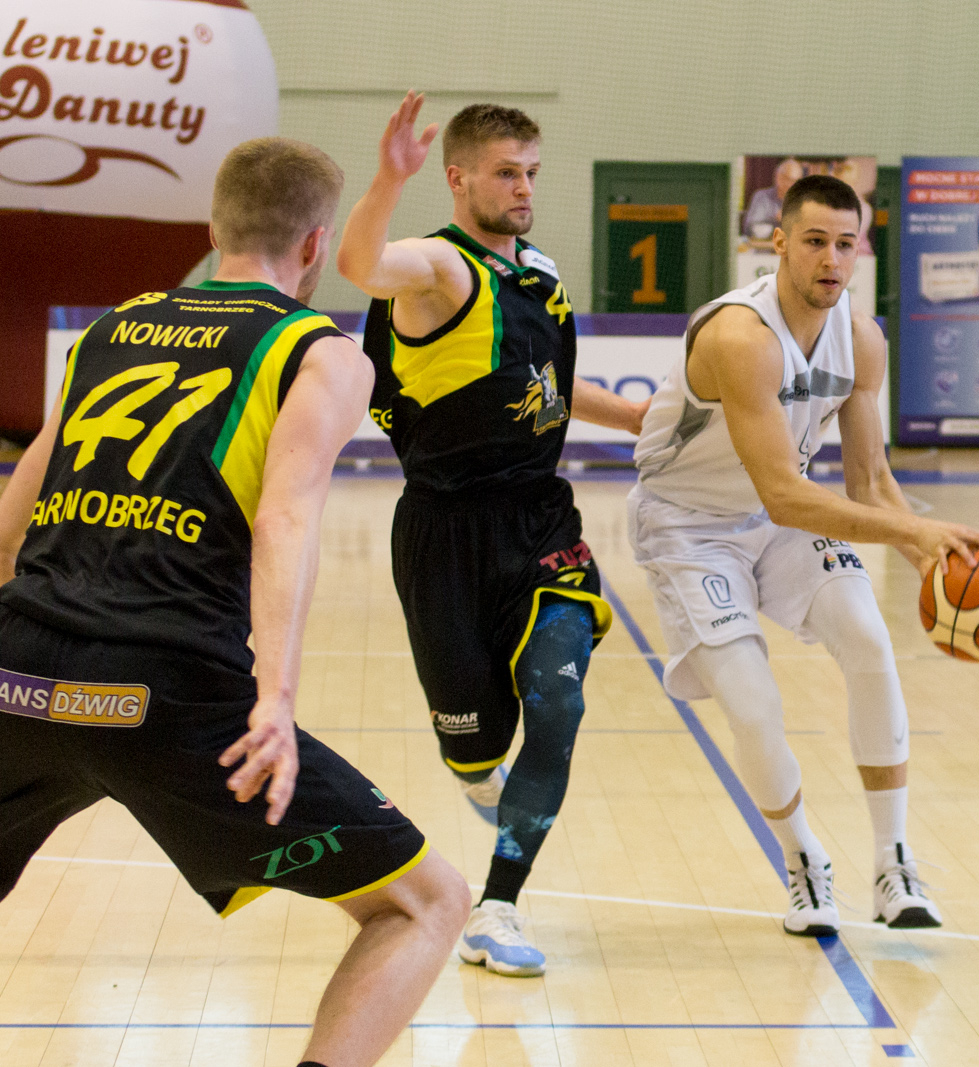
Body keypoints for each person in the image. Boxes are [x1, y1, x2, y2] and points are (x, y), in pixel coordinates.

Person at [0, 138, 471, 1067]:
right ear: (316, 242)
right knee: (425, 901)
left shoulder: (109, 329)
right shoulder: (318, 352)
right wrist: (276, 704)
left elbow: (14, 514)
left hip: (19, 665)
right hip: (165, 690)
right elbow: (285, 525)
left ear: (214, 228)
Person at [629, 174, 979, 936]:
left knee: (869, 641)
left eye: (846, 243)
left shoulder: (861, 338)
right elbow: (783, 492)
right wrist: (910, 534)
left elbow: (869, 480)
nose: (832, 259)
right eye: (815, 241)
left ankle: (894, 861)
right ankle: (803, 858)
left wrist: (934, 553)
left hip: (785, 516)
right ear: (779, 244)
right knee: (755, 707)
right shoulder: (740, 336)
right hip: (691, 524)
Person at [337, 93, 646, 977]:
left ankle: (498, 905)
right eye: (507, 173)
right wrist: (389, 177)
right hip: (444, 534)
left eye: (532, 173)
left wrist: (634, 417)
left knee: (559, 705)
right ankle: (475, 770)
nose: (524, 188)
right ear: (459, 175)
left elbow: (548, 383)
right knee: (475, 745)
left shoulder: (539, 272)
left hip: (541, 519)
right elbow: (361, 261)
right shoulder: (436, 266)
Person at [743, 157, 804, 240]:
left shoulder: (805, 200)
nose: (792, 185)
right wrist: (774, 219)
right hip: (764, 250)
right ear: (778, 177)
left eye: (796, 181)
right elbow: (748, 229)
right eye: (789, 179)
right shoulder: (762, 197)